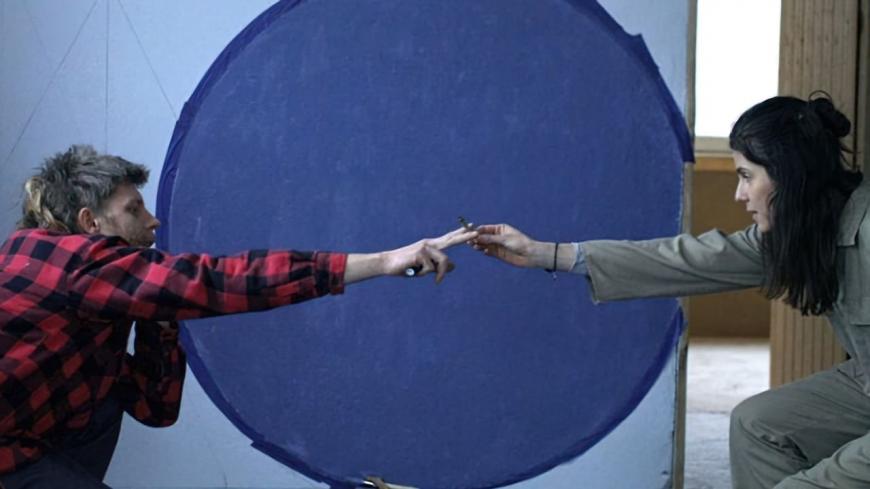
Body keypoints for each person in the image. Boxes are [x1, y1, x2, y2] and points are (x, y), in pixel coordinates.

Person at [0, 144, 476, 489]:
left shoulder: (101, 295)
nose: (153, 221)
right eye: (134, 209)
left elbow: (154, 409)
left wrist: (160, 320)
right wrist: (384, 261)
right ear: (90, 223)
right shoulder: (66, 262)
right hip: (9, 451)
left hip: (30, 440)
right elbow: (224, 282)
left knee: (100, 405)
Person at [472, 93, 870, 489]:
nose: (739, 194)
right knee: (757, 424)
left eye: (747, 176)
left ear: (790, 173)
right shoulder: (806, 226)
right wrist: (547, 254)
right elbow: (690, 259)